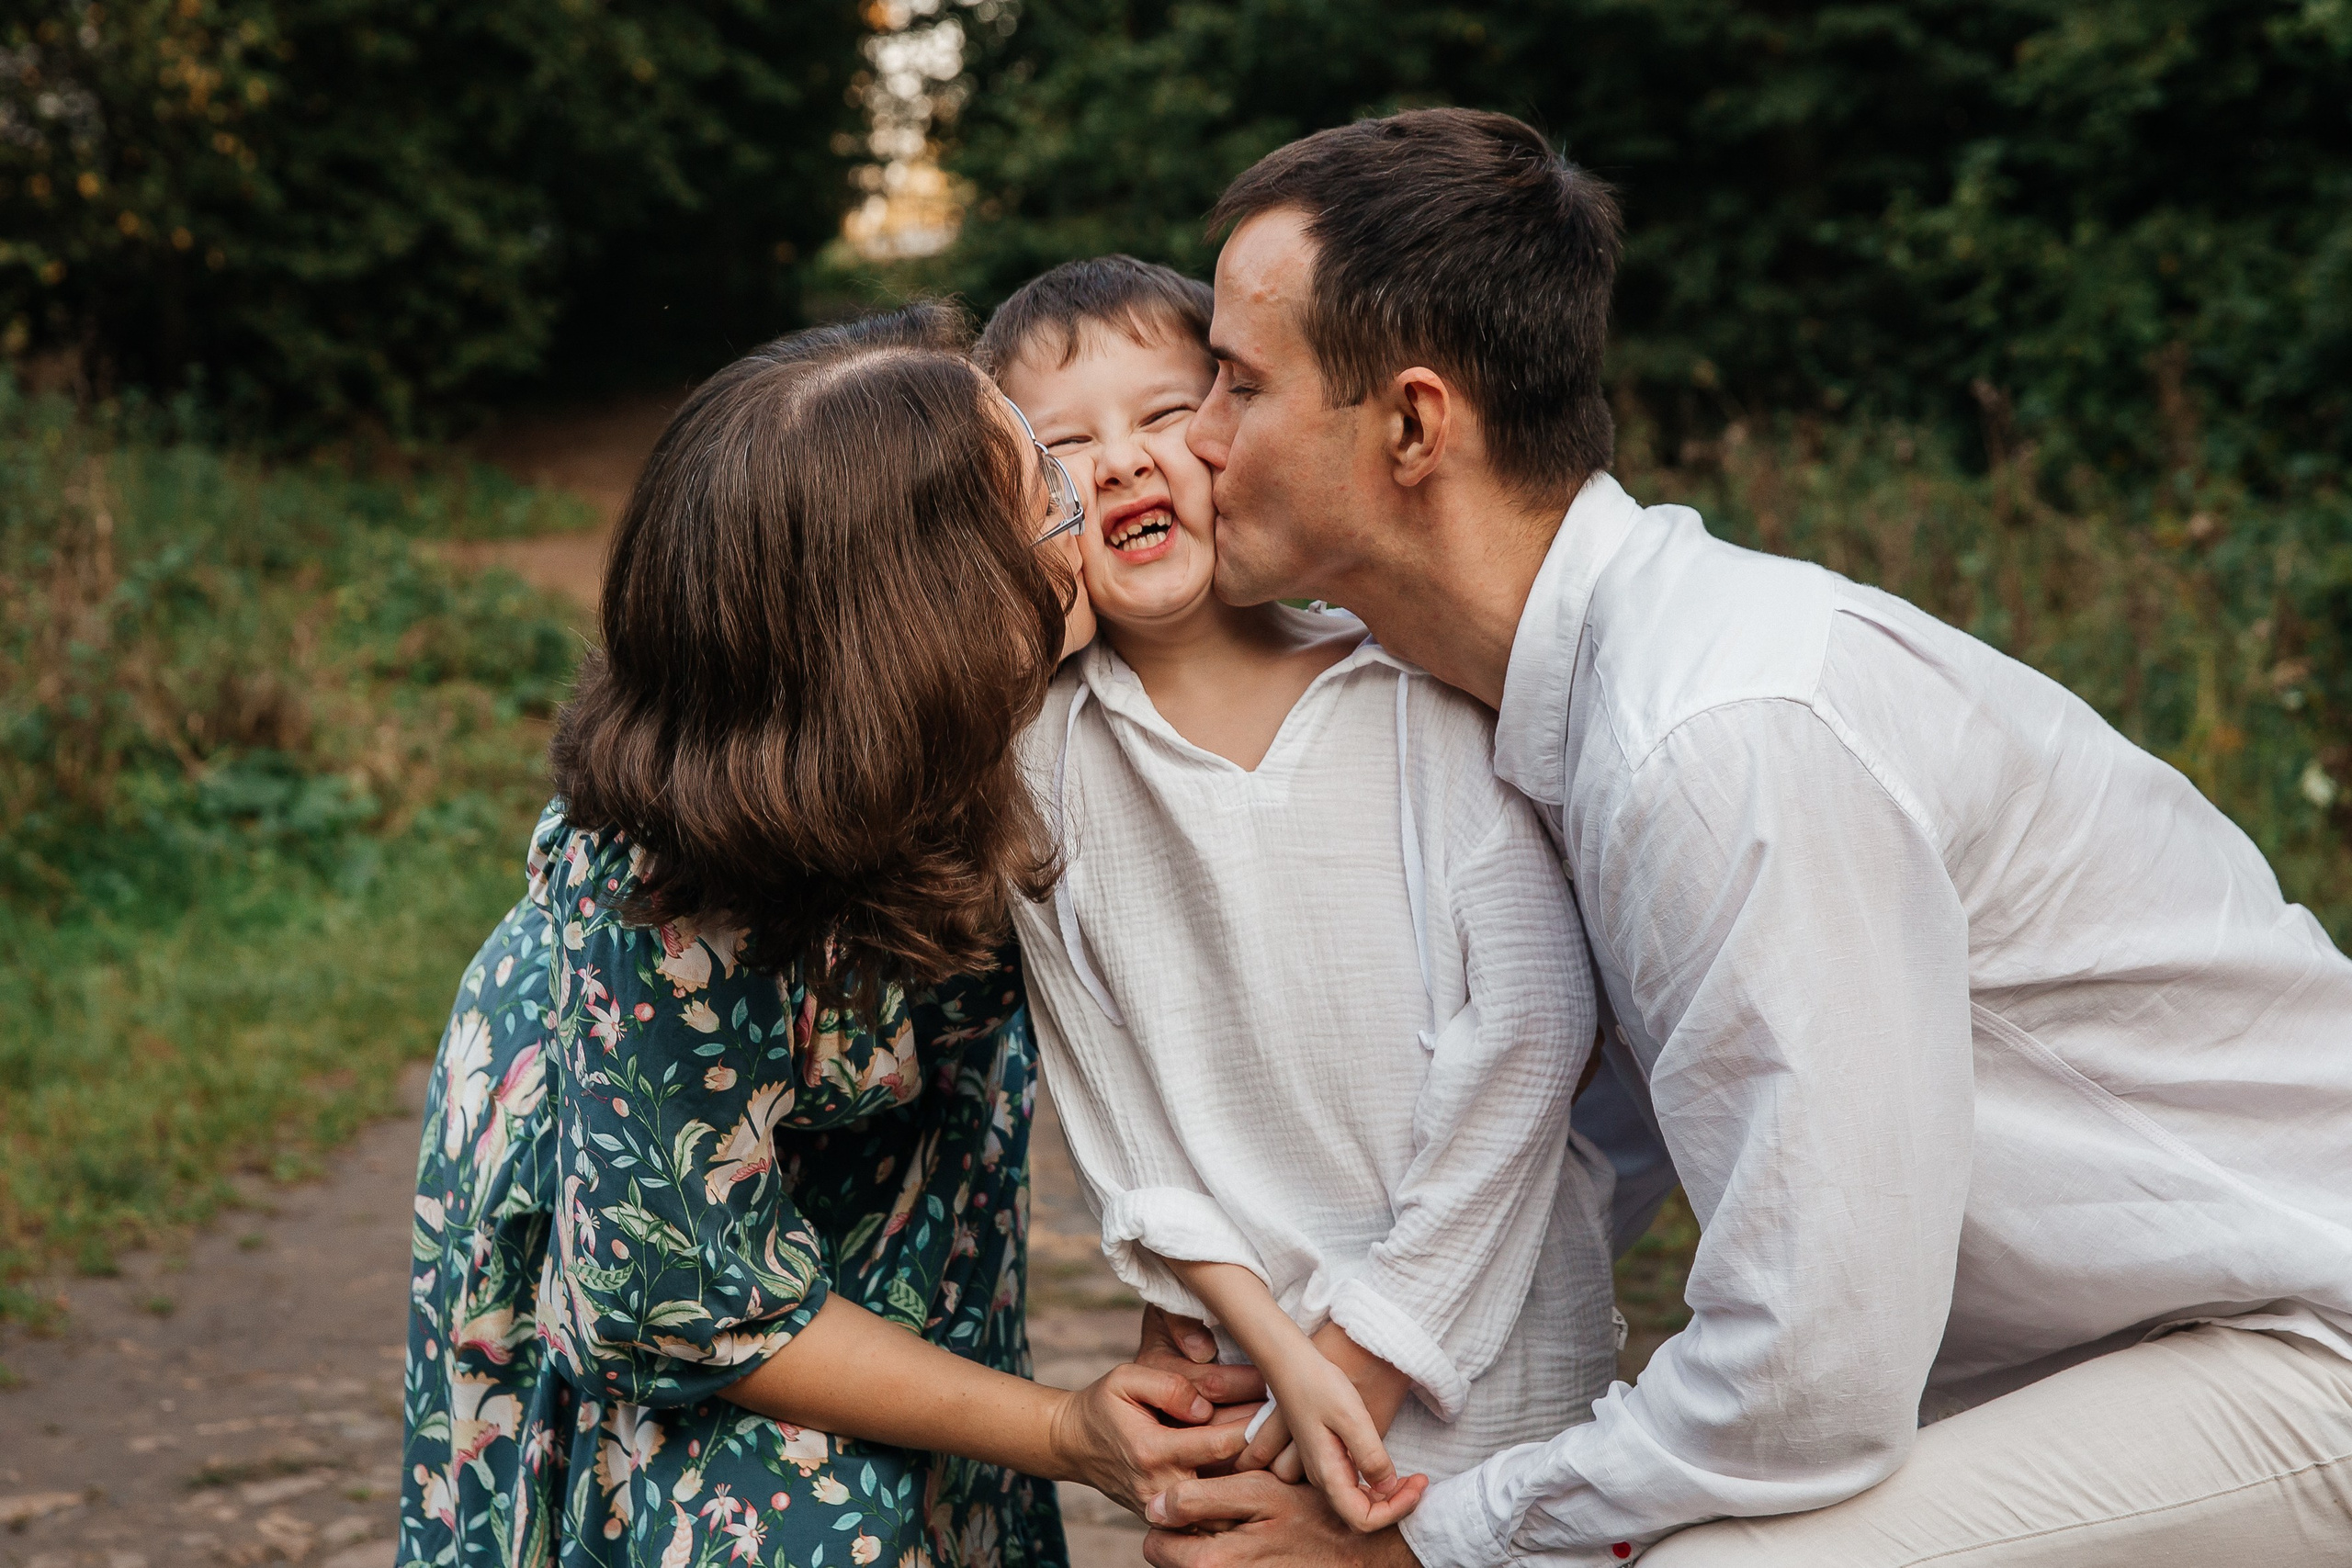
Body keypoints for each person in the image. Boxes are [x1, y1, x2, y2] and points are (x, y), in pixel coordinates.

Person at [1138, 108, 2352, 1567]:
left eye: (1238, 383)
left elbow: (1806, 1387)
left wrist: (1421, 1543)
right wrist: (1304, 1356)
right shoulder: (1528, 707)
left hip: (2303, 1329)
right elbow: (1568, 1154)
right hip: (2114, 1346)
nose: (1195, 440)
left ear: (1412, 425)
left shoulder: (1713, 735)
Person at [399, 304, 1261, 1568]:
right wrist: (1062, 1431)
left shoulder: (1002, 701)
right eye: (1045, 499)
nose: (1081, 505)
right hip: (668, 1217)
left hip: (888, 1195)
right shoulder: (674, 883)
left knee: (932, 1474)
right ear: (932, 613)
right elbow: (692, 1305)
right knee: (786, 1521)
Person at [974, 256, 1621, 1530]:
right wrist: (1279, 1353)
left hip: (1503, 1344)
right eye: (1064, 448)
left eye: (1165, 414)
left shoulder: (1411, 685)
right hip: (1246, 1378)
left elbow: (1536, 1027)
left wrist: (1374, 1344)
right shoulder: (1044, 764)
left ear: (1232, 431)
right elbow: (1124, 1133)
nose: (1122, 462)